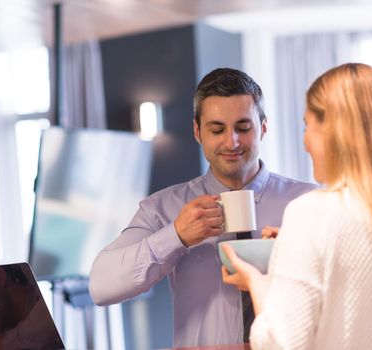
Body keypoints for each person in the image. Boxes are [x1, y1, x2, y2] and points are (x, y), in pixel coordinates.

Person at [89, 68, 316, 347]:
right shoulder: (162, 208)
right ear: (198, 131)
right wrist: (176, 236)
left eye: (243, 128)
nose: (231, 141)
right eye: (217, 129)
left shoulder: (310, 204)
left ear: (263, 128)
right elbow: (101, 287)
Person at [222, 63, 372, 349]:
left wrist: (258, 284)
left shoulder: (313, 213)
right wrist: (297, 247)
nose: (305, 142)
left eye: (308, 125)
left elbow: (281, 344)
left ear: (335, 131)